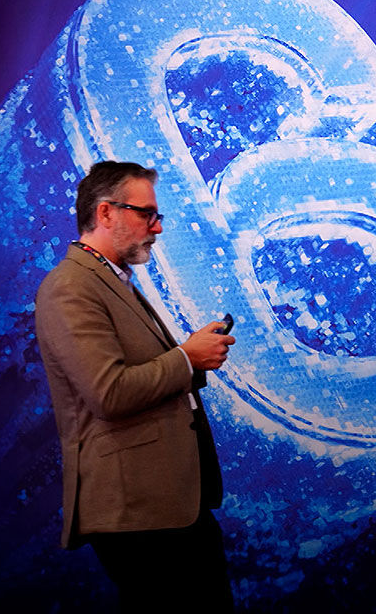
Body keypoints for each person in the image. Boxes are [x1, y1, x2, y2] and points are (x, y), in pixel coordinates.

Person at [34, 161, 236, 611]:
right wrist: (187, 358)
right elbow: (109, 393)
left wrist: (192, 357)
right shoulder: (70, 287)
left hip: (166, 505)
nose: (157, 227)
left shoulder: (110, 280)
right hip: (139, 513)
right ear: (105, 213)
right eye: (147, 214)